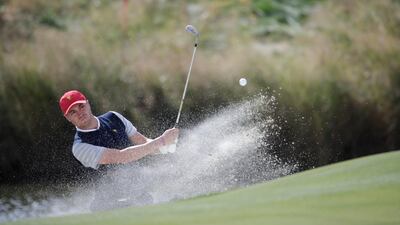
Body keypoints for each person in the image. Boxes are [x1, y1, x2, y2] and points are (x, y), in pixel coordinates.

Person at [59, 90, 179, 211]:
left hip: (140, 198)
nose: (80, 112)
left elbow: (145, 144)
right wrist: (161, 141)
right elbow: (122, 157)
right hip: (109, 206)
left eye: (81, 106)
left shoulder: (114, 117)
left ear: (88, 104)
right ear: (68, 118)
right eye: (73, 112)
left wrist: (166, 146)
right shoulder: (80, 146)